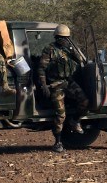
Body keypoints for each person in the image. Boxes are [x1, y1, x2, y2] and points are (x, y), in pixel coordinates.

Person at [34, 24, 89, 153]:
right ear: (56, 38)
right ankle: (58, 142)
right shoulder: (49, 50)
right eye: (61, 38)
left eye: (66, 38)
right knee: (60, 114)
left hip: (68, 82)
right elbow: (41, 69)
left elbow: (81, 60)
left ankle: (75, 121)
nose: (63, 40)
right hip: (55, 84)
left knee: (85, 101)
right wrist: (44, 86)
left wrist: (73, 47)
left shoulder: (69, 49)